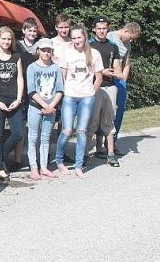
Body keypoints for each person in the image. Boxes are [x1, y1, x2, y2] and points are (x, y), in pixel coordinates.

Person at [54, 23, 103, 178]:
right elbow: (63, 75)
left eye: (79, 37)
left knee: (82, 131)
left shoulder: (94, 54)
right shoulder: (67, 54)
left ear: (85, 37)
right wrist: (64, 93)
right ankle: (59, 160)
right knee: (67, 130)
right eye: (74, 38)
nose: (76, 40)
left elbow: (99, 77)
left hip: (86, 97)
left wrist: (91, 94)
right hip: (70, 96)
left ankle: (79, 165)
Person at [0, 26, 24, 181]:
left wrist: (18, 99)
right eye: (4, 39)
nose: (6, 41)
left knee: (18, 133)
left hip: (14, 99)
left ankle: (0, 159)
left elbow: (20, 78)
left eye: (9, 39)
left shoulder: (16, 57)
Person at [25, 38, 64, 181]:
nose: (46, 53)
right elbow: (31, 90)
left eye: (49, 50)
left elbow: (60, 89)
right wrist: (44, 105)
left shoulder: (56, 68)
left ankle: (44, 167)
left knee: (46, 138)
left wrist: (51, 106)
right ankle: (33, 167)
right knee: (33, 137)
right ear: (38, 51)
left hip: (51, 108)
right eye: (43, 50)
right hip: (35, 107)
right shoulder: (32, 67)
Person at [87, 16, 123, 167]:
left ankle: (110, 154)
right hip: (93, 87)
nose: (101, 31)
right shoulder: (88, 45)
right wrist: (102, 72)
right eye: (99, 28)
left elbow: (117, 67)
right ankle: (83, 155)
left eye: (104, 28)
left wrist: (117, 73)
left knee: (109, 119)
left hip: (110, 87)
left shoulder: (113, 46)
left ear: (108, 29)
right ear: (94, 29)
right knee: (92, 121)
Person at [107, 21, 142, 147]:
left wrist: (123, 80)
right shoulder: (110, 37)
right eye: (131, 37)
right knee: (107, 111)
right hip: (107, 78)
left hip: (119, 79)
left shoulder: (127, 44)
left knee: (119, 111)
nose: (131, 41)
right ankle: (102, 141)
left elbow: (127, 63)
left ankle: (113, 143)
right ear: (126, 31)